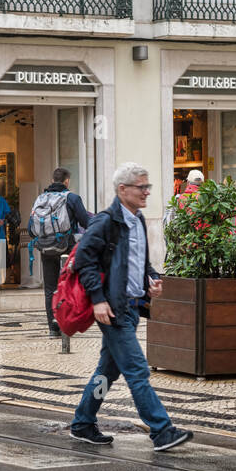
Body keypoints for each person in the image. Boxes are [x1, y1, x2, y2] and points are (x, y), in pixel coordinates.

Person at [70, 163, 192, 452]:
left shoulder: (138, 221)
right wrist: (98, 299)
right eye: (141, 187)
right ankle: (162, 431)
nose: (146, 192)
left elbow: (140, 262)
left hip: (134, 306)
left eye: (147, 186)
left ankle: (83, 422)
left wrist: (152, 278)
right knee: (137, 370)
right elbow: (84, 262)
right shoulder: (105, 222)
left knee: (107, 372)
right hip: (113, 310)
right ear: (122, 189)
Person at [36, 167, 92, 337]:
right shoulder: (72, 198)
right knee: (68, 285)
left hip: (45, 247)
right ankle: (66, 322)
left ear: (53, 180)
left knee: (50, 288)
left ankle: (53, 328)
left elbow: (33, 228)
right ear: (67, 181)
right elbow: (86, 221)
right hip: (66, 249)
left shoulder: (40, 198)